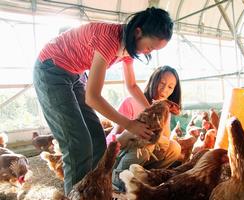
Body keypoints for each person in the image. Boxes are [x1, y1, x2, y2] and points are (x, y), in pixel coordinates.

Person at [33, 7, 173, 194]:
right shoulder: (109, 39)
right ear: (138, 32)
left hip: (75, 74)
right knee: (78, 144)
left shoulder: (129, 44)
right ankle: (76, 196)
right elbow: (93, 97)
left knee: (98, 141)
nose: (148, 52)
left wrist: (156, 114)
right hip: (51, 70)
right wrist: (129, 124)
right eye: (149, 47)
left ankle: (94, 192)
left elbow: (131, 86)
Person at [108, 65, 182, 191]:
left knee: (175, 147)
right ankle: (117, 179)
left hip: (143, 156)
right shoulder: (131, 102)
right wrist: (132, 132)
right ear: (153, 81)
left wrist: (157, 131)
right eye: (161, 83)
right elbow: (114, 141)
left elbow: (165, 142)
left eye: (170, 87)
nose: (164, 90)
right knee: (146, 145)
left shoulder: (165, 110)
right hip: (118, 154)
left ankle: (146, 178)